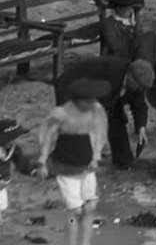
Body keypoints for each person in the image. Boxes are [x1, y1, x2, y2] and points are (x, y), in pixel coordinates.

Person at [36, 78, 108, 245]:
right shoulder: (61, 113)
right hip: (65, 167)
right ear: (77, 99)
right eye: (87, 100)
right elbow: (47, 136)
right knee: (74, 212)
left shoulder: (96, 109)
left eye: (93, 99)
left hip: (87, 166)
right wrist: (42, 160)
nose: (91, 103)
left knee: (90, 207)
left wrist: (96, 156)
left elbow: (99, 132)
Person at [54, 56, 154, 170]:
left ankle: (123, 160)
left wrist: (141, 128)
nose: (140, 90)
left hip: (98, 92)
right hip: (70, 87)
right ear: (131, 78)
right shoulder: (111, 74)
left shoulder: (133, 83)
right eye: (140, 87)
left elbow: (139, 105)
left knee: (116, 118)